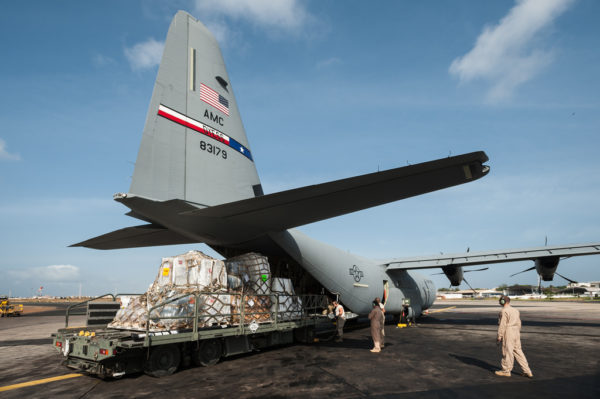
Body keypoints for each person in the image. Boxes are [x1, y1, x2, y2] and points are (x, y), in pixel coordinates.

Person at [495, 295, 533, 378]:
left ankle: (506, 371)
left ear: (502, 302)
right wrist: (517, 332)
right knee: (518, 351)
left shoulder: (504, 311)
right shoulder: (515, 310)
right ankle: (527, 371)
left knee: (507, 351)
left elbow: (502, 324)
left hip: (508, 331)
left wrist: (499, 335)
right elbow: (519, 323)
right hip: (516, 331)